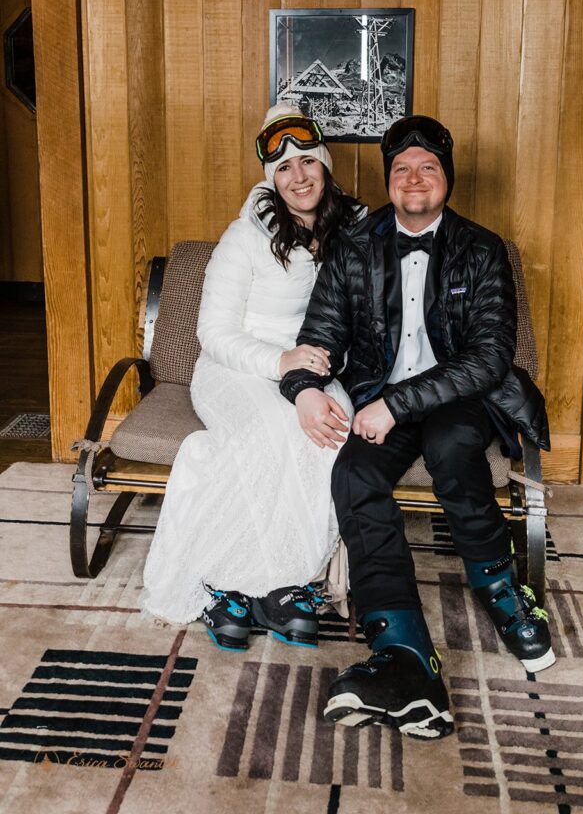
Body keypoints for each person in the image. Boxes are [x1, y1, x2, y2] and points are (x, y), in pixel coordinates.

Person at [281, 114, 553, 739]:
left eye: (427, 167)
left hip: (458, 395)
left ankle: (503, 592)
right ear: (389, 181)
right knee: (352, 474)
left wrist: (400, 406)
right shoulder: (354, 245)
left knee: (456, 452)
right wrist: (302, 389)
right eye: (401, 168)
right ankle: (402, 647)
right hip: (380, 394)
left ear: (446, 180)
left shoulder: (483, 248)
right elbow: (319, 332)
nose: (413, 178)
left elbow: (487, 358)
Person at [142, 104, 361, 650]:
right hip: (235, 368)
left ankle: (281, 587)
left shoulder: (355, 229)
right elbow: (212, 333)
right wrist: (279, 362)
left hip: (313, 368)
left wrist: (323, 367)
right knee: (268, 434)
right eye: (283, 168)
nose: (298, 176)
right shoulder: (244, 238)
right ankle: (232, 585)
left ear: (325, 165)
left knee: (333, 436)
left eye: (308, 161)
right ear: (271, 178)